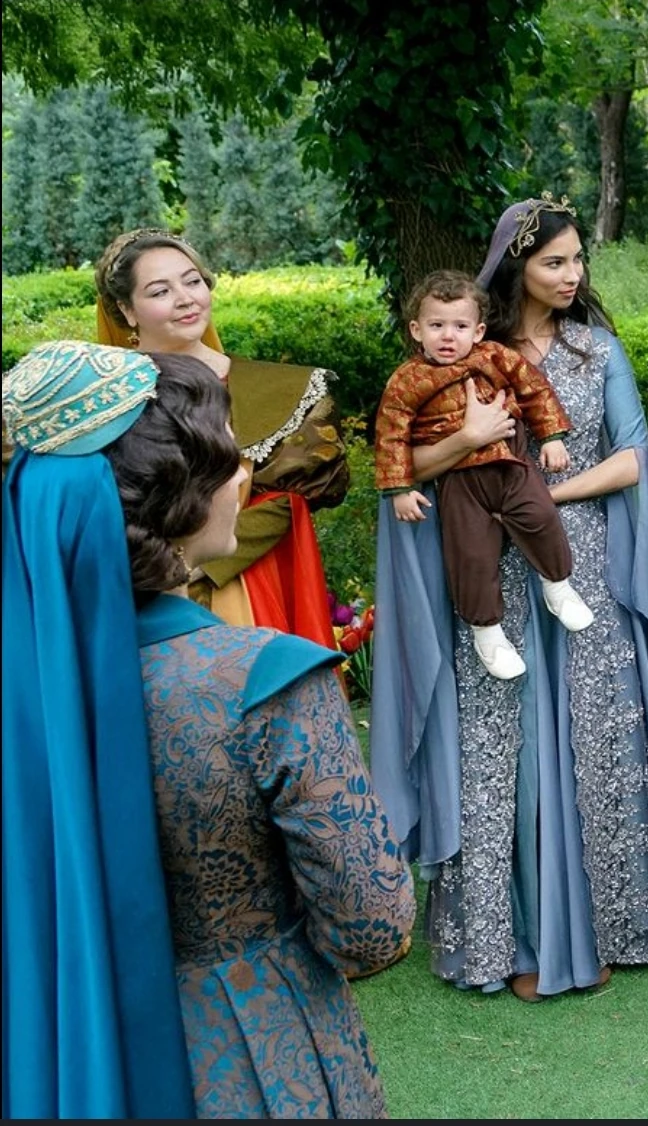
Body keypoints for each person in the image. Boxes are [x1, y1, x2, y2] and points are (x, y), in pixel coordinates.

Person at [2, 341, 416, 1119]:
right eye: (230, 457)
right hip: (252, 1042)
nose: (243, 477)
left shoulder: (20, 682)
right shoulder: (263, 682)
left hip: (56, 1047)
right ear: (177, 501)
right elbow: (370, 925)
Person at [370, 192, 648, 1001]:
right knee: (504, 748)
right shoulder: (462, 350)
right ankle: (513, 939)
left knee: (595, 739)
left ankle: (607, 926)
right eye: (555, 261)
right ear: (516, 267)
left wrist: (536, 500)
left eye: (578, 260)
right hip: (488, 573)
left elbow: (632, 460)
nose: (573, 275)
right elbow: (404, 465)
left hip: (579, 564)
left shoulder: (597, 352)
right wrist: (467, 443)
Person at [95, 228, 349, 653]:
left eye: (192, 281)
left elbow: (293, 497)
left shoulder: (277, 391)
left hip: (237, 586)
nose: (185, 299)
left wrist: (194, 563)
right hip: (128, 590)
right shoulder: (103, 397)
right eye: (161, 291)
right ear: (126, 309)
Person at [375, 269, 593, 680]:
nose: (448, 336)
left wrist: (551, 437)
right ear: (416, 330)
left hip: (510, 463)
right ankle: (487, 633)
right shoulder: (406, 380)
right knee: (470, 554)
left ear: (477, 332)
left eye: (460, 327)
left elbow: (534, 390)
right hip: (460, 480)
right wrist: (399, 488)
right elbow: (391, 434)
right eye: (436, 326)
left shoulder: (495, 356)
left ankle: (558, 586)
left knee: (541, 516)